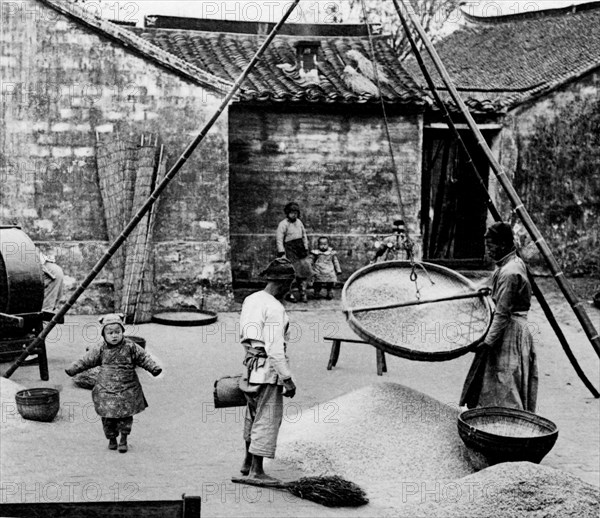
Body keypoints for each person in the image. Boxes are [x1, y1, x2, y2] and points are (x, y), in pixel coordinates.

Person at [460, 222, 538, 412]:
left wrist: (487, 342)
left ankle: (508, 427)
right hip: (510, 328)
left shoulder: (510, 272)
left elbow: (502, 314)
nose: (488, 251)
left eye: (491, 246)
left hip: (510, 332)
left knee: (506, 383)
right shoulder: (511, 263)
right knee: (496, 381)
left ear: (503, 244)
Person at [65, 313, 162, 453]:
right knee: (108, 416)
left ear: (122, 332)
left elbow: (143, 357)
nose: (114, 336)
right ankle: (112, 438)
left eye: (117, 332)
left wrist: (153, 368)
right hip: (106, 389)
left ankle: (123, 439)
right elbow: (86, 360)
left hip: (127, 388)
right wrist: (73, 369)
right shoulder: (100, 348)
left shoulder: (130, 346)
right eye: (110, 333)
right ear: (104, 334)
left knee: (126, 416)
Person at [238, 258, 297, 486]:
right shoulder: (275, 307)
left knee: (251, 415)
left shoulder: (251, 299)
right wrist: (288, 379)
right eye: (290, 283)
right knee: (267, 418)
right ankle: (256, 470)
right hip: (267, 370)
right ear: (283, 283)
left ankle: (246, 461)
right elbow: (275, 349)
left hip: (251, 366)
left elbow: (246, 335)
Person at [276, 202, 313, 303]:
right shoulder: (283, 224)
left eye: (296, 213)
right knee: (292, 273)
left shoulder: (299, 223)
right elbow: (279, 239)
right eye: (292, 213)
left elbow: (304, 235)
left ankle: (303, 292)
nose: (294, 215)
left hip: (300, 249)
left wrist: (305, 247)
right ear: (287, 213)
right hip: (290, 251)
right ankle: (289, 293)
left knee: (304, 271)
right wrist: (282, 252)